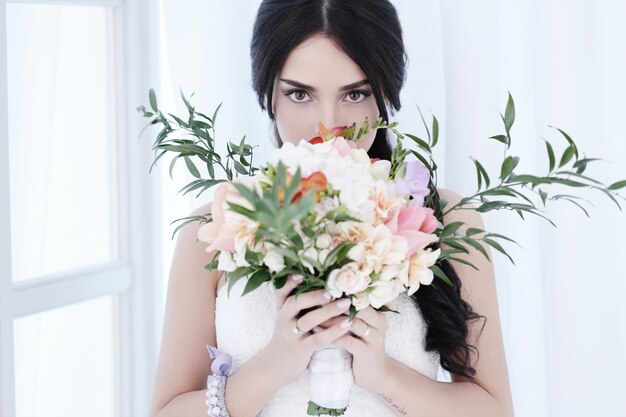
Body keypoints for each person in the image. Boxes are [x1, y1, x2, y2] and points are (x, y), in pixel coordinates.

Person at [148, 1, 514, 416]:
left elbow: (495, 410)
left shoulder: (444, 221)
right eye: (299, 94)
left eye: (355, 94)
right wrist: (275, 364)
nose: (327, 125)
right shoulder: (220, 224)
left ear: (385, 96)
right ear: (267, 94)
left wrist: (386, 375)